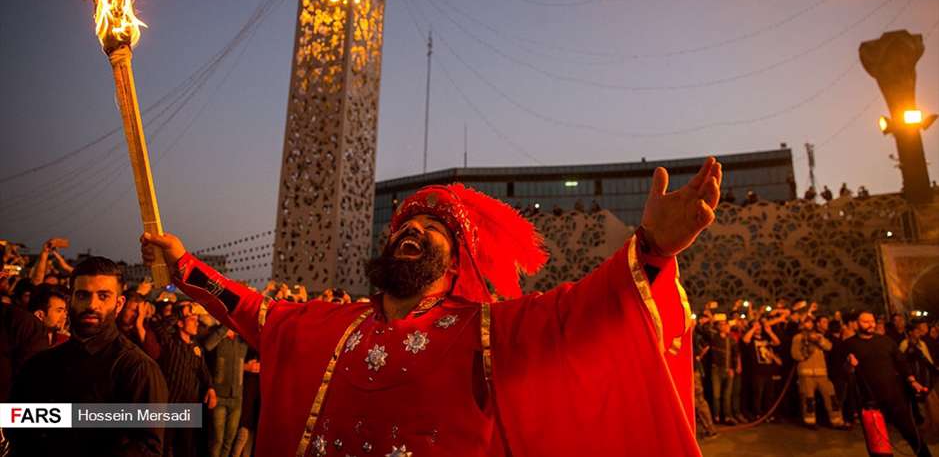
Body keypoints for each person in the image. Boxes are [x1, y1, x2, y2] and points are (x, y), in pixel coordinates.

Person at [141, 158, 723, 456]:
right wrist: (186, 268)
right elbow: (250, 312)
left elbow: (581, 314)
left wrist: (650, 247)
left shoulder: (488, 331)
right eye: (405, 225)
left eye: (431, 227)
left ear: (454, 263)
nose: (412, 231)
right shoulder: (329, 324)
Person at [8, 257, 168, 457]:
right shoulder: (41, 364)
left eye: (103, 296)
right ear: (70, 300)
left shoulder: (136, 369)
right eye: (83, 295)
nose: (92, 305)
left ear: (118, 304)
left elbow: (146, 448)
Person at [844, 311, 932, 457]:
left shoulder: (885, 341)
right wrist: (850, 366)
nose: (870, 324)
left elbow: (901, 362)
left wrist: (912, 380)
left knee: (912, 434)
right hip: (870, 402)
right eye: (865, 321)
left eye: (872, 321)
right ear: (856, 323)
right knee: (877, 443)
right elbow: (843, 372)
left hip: (895, 397)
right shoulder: (849, 344)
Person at [160, 303, 216, 457]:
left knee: (187, 449)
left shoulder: (195, 348)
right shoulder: (170, 342)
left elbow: (203, 371)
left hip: (189, 406)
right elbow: (160, 327)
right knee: (163, 447)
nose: (196, 322)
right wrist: (182, 311)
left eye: (197, 319)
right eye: (192, 319)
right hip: (169, 405)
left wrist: (210, 388)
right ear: (180, 323)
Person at [791, 316, 844, 428]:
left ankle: (837, 421)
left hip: (822, 374)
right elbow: (795, 354)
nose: (809, 325)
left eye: (810, 322)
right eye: (806, 322)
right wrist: (805, 354)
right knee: (808, 399)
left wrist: (819, 340)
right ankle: (809, 421)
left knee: (831, 397)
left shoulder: (819, 337)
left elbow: (829, 347)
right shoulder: (798, 337)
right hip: (806, 374)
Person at [204, 324, 248, 457]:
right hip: (219, 397)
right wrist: (225, 329)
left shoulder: (242, 339)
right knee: (217, 440)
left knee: (228, 442)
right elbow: (207, 345)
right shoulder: (218, 334)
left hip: (237, 397)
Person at [117, 291, 161, 360]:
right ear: (122, 308)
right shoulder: (111, 326)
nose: (137, 315)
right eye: (134, 310)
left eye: (140, 312)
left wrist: (139, 327)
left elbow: (154, 355)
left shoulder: (144, 329)